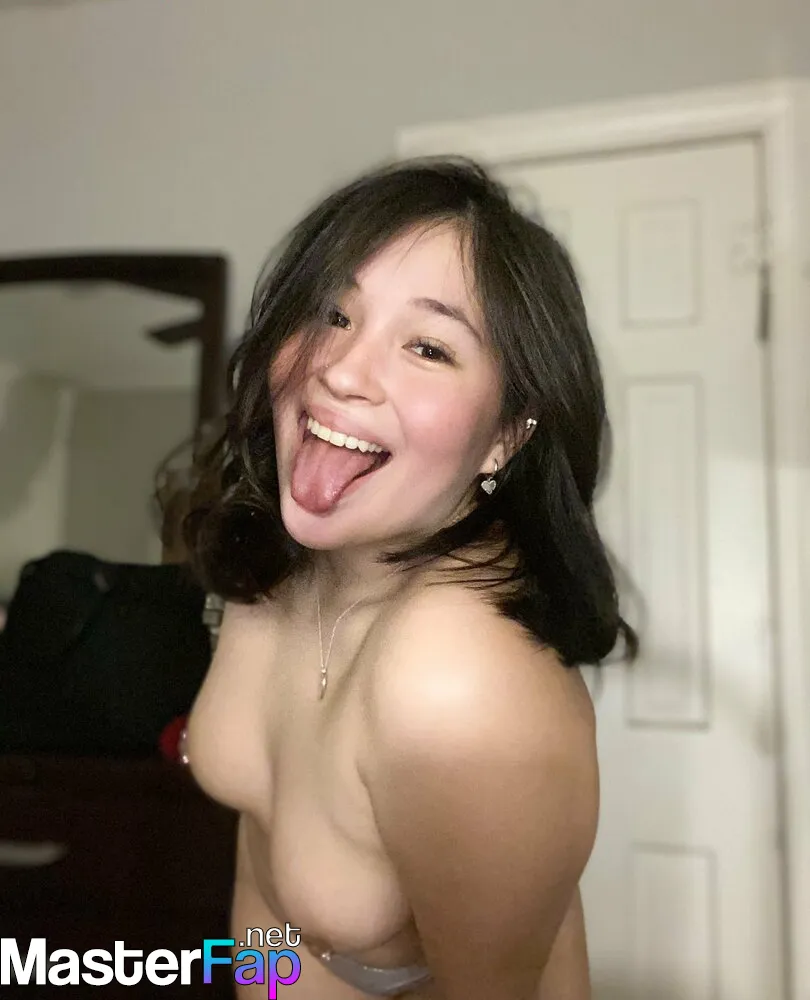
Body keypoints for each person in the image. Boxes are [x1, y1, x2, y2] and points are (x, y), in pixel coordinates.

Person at [181, 157, 636, 999]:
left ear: (505, 436)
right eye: (333, 313)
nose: (341, 371)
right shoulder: (284, 563)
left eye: (428, 346)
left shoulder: (461, 684)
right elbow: (262, 872)